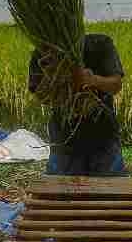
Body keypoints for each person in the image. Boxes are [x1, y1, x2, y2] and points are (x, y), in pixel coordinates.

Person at [28, 33, 125, 176]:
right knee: (61, 197)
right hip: (64, 146)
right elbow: (41, 97)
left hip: (104, 142)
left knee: (111, 195)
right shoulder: (43, 53)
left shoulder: (100, 44)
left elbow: (116, 85)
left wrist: (92, 80)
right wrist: (54, 77)